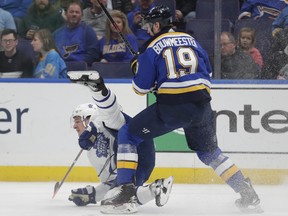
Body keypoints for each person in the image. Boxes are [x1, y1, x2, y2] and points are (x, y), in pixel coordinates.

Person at [96, 5, 263, 214]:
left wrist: (137, 67)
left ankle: (125, 192)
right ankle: (247, 192)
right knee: (209, 152)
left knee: (128, 134)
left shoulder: (152, 46)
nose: (148, 29)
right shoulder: (192, 40)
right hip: (202, 106)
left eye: (150, 25)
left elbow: (140, 88)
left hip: (173, 107)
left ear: (157, 25)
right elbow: (206, 71)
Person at [66, 70, 173, 211]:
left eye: (78, 120)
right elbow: (110, 183)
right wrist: (92, 195)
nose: (74, 126)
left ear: (88, 117)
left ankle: (153, 190)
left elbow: (103, 120)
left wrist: (91, 126)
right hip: (137, 162)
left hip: (139, 146)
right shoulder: (92, 154)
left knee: (120, 198)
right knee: (115, 196)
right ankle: (156, 188)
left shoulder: (100, 121)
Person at [53, 0, 99, 66]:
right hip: (61, 69)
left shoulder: (88, 31)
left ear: (82, 15)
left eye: (77, 12)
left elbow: (93, 54)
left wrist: (78, 65)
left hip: (81, 70)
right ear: (66, 14)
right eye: (71, 12)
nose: (74, 14)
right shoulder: (57, 34)